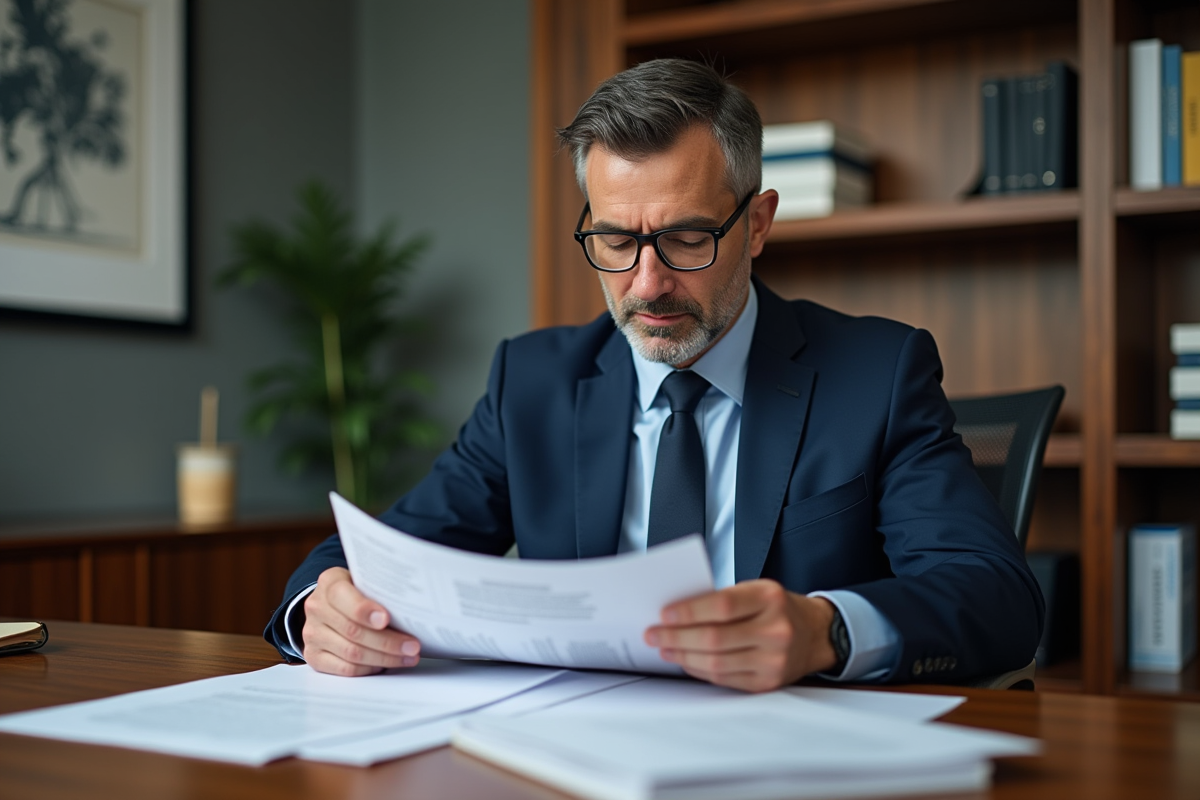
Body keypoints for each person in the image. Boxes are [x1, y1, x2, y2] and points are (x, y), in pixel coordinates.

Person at [264, 59, 1043, 692]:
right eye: (614, 240)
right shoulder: (531, 382)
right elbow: (387, 555)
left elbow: (995, 596)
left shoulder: (876, 375)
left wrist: (825, 630)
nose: (645, 285)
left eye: (686, 238)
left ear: (758, 224)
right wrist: (321, 608)